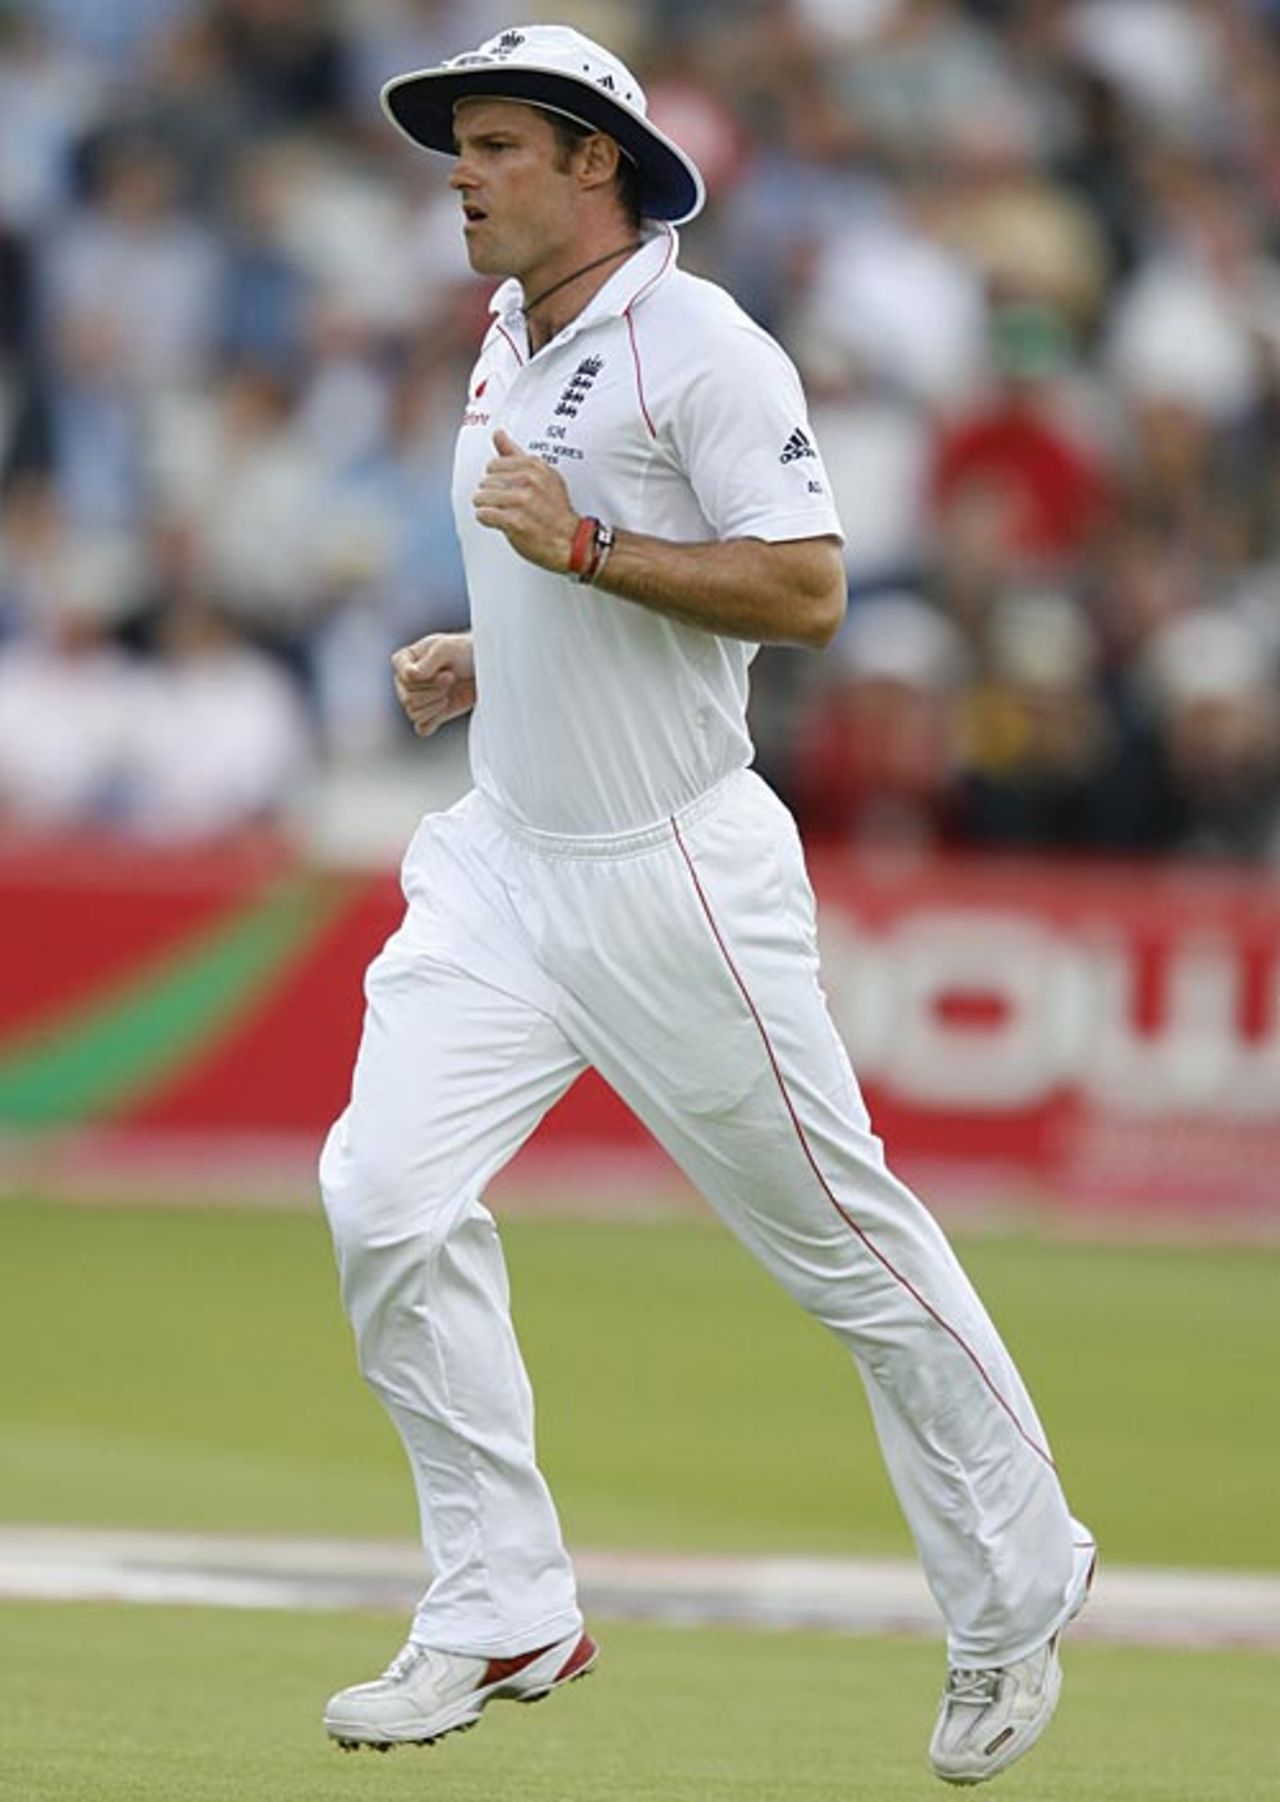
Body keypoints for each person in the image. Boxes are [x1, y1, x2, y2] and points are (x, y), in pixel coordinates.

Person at [319, 25, 1096, 1786]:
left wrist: (585, 555)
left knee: (846, 1250)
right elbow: (551, 561)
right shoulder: (510, 332)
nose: (461, 171)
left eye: (497, 144)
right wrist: (493, 650)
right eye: (459, 145)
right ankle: (502, 1598)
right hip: (506, 859)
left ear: (596, 160)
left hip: (674, 875)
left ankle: (1019, 1583)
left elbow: (809, 589)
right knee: (379, 1193)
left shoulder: (707, 346)